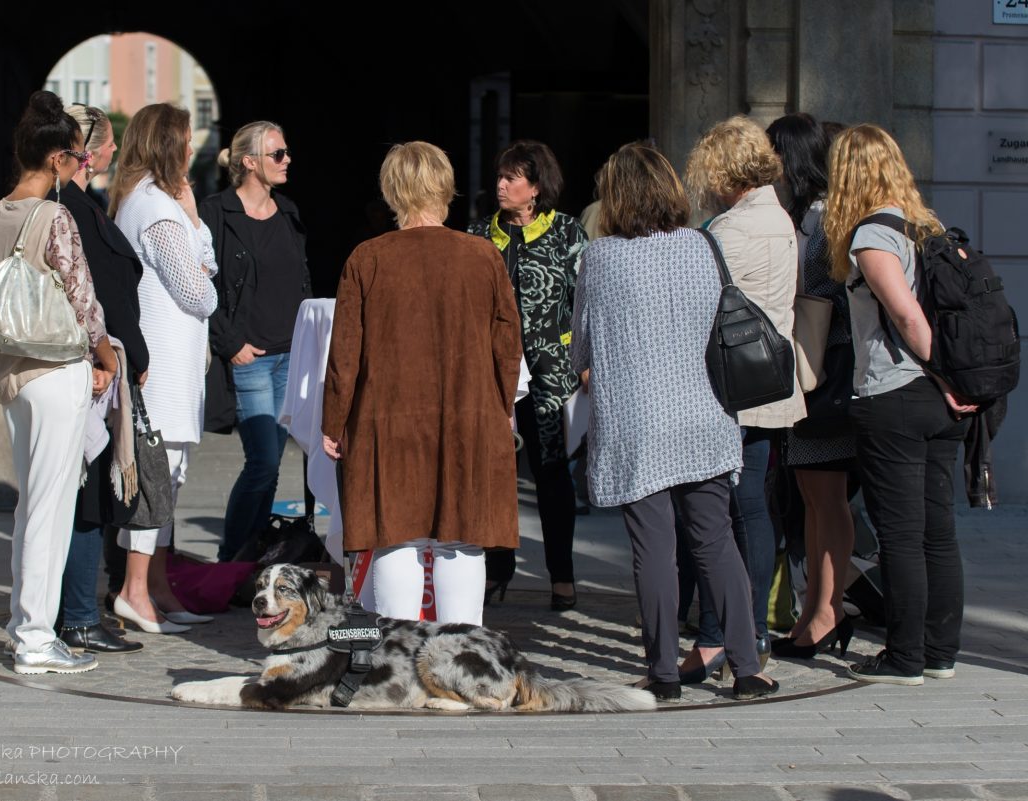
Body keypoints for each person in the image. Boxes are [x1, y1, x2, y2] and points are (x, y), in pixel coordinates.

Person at [571, 142, 778, 701]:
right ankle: (747, 668)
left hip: (637, 424)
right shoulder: (701, 246)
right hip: (703, 415)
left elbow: (581, 348)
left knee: (654, 552)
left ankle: (664, 675)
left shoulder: (602, 257)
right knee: (715, 542)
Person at [322, 141, 522, 626]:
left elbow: (344, 353)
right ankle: (462, 657)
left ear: (393, 191)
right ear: (445, 188)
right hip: (467, 414)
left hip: (387, 418)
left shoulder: (367, 259)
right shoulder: (482, 256)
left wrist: (334, 420)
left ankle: (400, 658)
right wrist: (501, 405)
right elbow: (508, 341)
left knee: (395, 532)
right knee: (462, 535)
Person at [825, 124, 975, 685]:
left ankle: (907, 656)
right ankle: (940, 653)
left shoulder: (872, 235)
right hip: (938, 400)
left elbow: (909, 317)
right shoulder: (926, 226)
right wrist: (953, 383)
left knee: (904, 534)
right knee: (938, 529)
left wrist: (945, 375)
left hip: (898, 394)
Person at [0, 90, 117, 674]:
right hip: (57, 368)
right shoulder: (55, 215)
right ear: (61, 158)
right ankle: (37, 639)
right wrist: (106, 354)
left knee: (29, 506)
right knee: (53, 507)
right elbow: (83, 298)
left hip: (14, 371)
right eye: (77, 157)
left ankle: (25, 623)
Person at [680, 116, 806, 680]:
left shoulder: (731, 230)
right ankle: (745, 630)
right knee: (752, 505)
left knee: (724, 514)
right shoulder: (779, 218)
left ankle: (725, 632)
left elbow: (694, 306)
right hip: (768, 379)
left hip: (729, 386)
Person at [111, 103, 219, 634]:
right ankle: (136, 590)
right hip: (166, 364)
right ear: (166, 145)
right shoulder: (155, 207)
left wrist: (196, 228)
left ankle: (156, 585)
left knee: (167, 479)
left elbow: (201, 271)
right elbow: (199, 292)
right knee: (157, 478)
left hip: (169, 361)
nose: (191, 147)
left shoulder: (147, 202)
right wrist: (197, 226)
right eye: (185, 138)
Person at [467, 140, 587, 611]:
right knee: (493, 474)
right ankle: (497, 570)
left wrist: (585, 361)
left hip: (550, 377)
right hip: (490, 377)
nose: (501, 184)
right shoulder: (478, 236)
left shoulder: (568, 234)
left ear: (535, 187)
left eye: (512, 177)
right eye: (500, 176)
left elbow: (587, 303)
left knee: (552, 475)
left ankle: (562, 575)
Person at [52, 103, 146, 655]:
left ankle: (79, 609)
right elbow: (90, 296)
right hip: (90, 371)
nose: (114, 151)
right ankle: (79, 616)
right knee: (86, 499)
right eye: (108, 143)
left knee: (85, 497)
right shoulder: (68, 208)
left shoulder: (78, 204)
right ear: (88, 150)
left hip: (101, 366)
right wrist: (110, 355)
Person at [765, 113, 856, 660]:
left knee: (828, 496)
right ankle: (814, 608)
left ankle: (829, 608)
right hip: (809, 373)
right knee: (812, 497)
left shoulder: (822, 219)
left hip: (823, 373)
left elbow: (823, 296)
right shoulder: (803, 216)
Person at [200, 121, 311, 562]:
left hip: (290, 354)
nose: (287, 160)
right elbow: (199, 286)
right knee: (263, 461)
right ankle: (233, 557)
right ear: (249, 162)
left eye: (286, 152)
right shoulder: (216, 213)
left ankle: (251, 555)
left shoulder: (289, 212)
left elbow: (301, 280)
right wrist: (230, 343)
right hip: (251, 358)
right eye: (277, 154)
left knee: (271, 468)